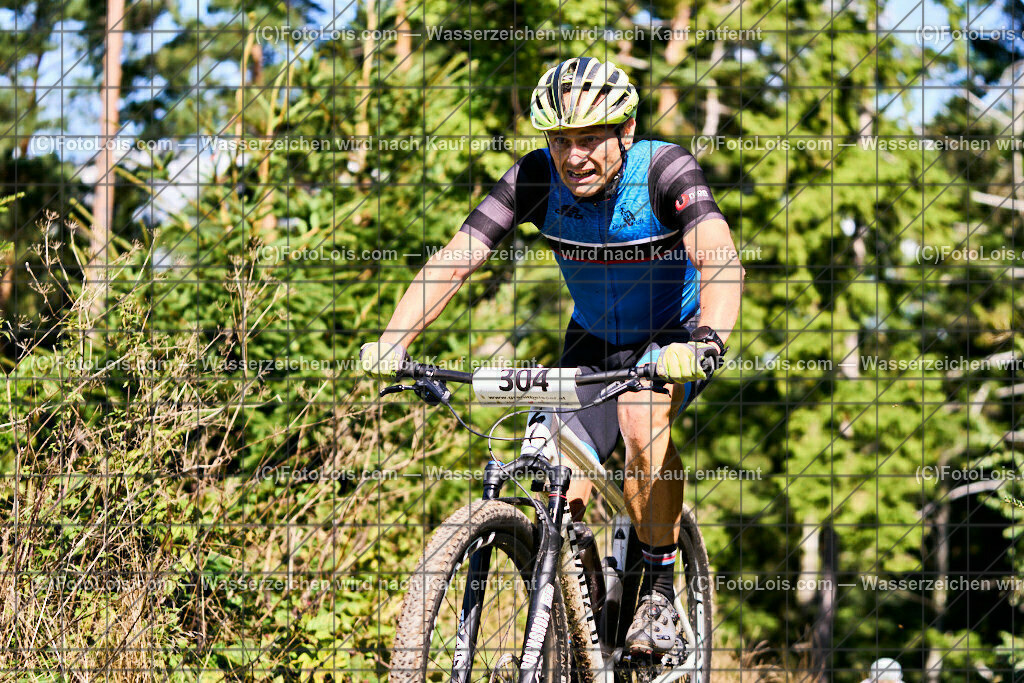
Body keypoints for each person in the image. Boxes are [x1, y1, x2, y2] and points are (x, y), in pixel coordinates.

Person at [360, 56, 744, 656]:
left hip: (675, 334)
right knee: (552, 478)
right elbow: (458, 258)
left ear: (626, 131)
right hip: (592, 343)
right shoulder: (534, 179)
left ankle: (660, 594)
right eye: (560, 140)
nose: (573, 157)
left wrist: (708, 342)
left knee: (642, 420)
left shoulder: (665, 171)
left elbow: (719, 257)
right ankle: (577, 629)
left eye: (589, 139)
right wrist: (394, 340)